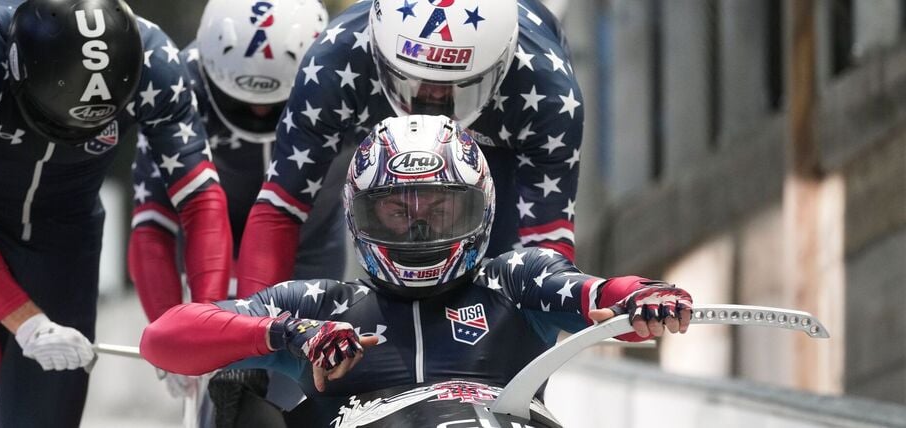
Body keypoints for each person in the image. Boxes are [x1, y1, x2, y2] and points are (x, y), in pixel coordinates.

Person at [140, 115, 693, 424]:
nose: (419, 232)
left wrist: (641, 296)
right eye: (395, 212)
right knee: (237, 391)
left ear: (480, 209)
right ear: (361, 214)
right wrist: (291, 334)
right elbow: (162, 338)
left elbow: (594, 290)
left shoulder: (515, 280)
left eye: (440, 210)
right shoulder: (321, 308)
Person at [0, 0, 231, 426]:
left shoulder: (156, 61)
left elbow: (201, 199)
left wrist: (204, 327)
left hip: (64, 245)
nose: (69, 136)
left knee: (46, 418)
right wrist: (26, 321)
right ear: (17, 66)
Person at [236, 0, 585, 297]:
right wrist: (249, 338)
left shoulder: (547, 92)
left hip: (500, 155)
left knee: (502, 271)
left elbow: (545, 246)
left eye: (456, 85)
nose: (433, 96)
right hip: (376, 141)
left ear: (501, 63)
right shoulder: (335, 60)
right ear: (380, 53)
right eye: (415, 80)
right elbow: (281, 206)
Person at [126, 0, 330, 418]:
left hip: (311, 238)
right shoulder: (176, 80)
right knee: (227, 383)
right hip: (217, 240)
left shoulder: (336, 73)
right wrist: (176, 330)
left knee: (304, 380)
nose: (259, 112)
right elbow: (152, 223)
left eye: (274, 104)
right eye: (241, 101)